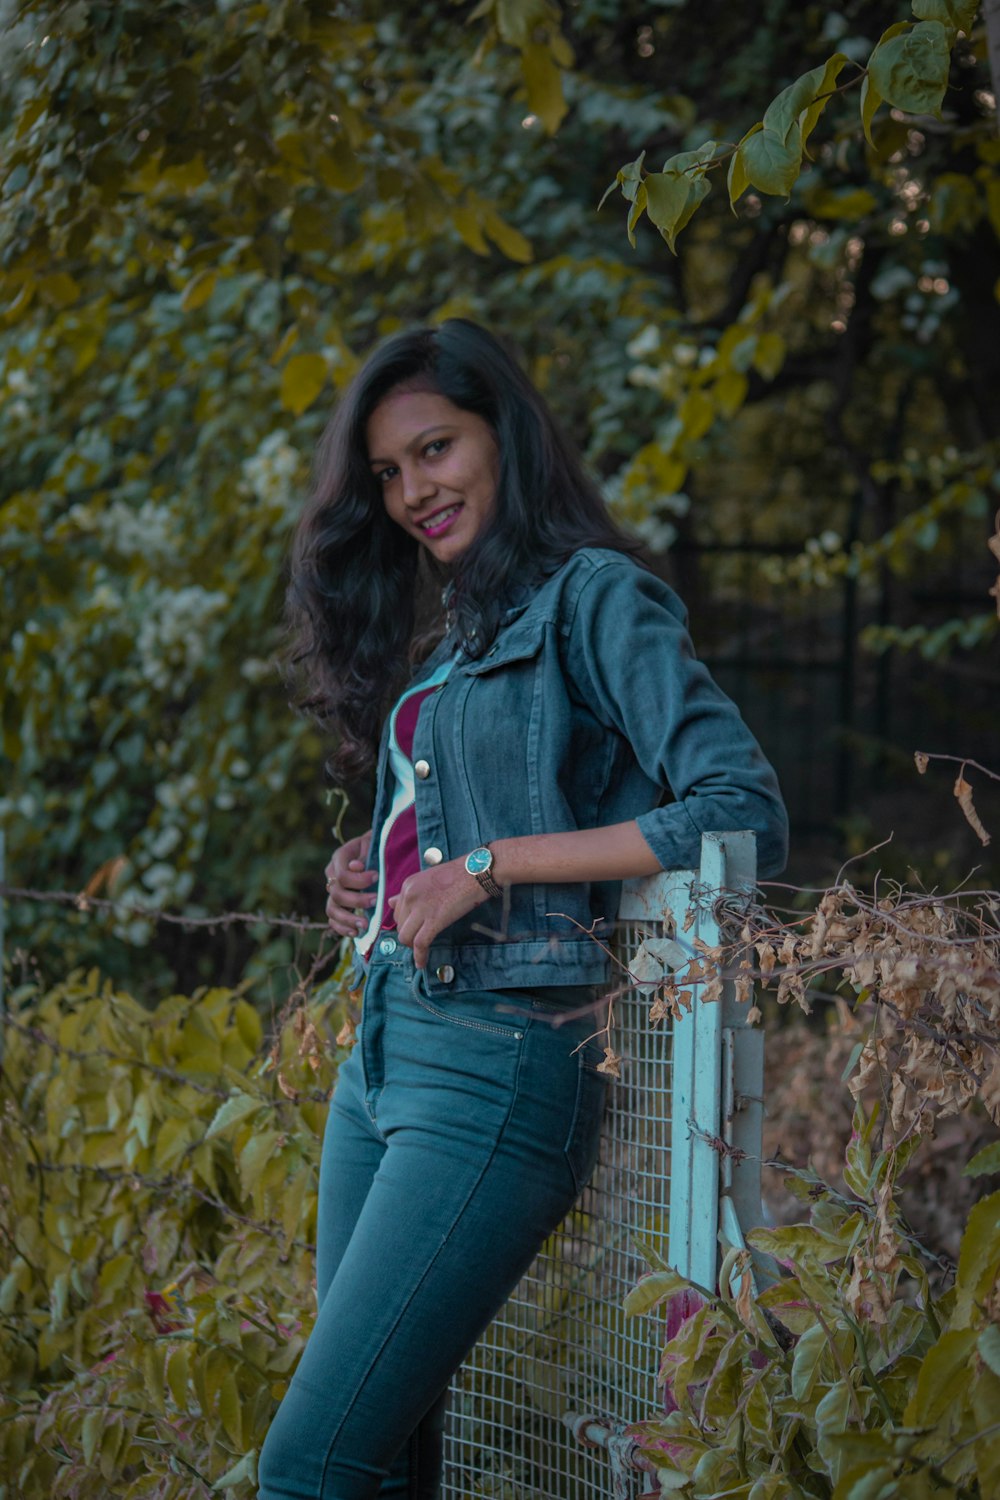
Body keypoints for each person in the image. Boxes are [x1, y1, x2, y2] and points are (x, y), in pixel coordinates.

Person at [257, 318, 788, 1500]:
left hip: (497, 1061)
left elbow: (735, 807)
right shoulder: (465, 627)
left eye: (435, 451)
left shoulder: (596, 599)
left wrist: (488, 866)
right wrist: (379, 864)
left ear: (507, 434)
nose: (410, 494)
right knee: (383, 1453)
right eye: (389, 474)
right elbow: (476, 817)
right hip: (384, 1049)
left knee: (309, 1467)